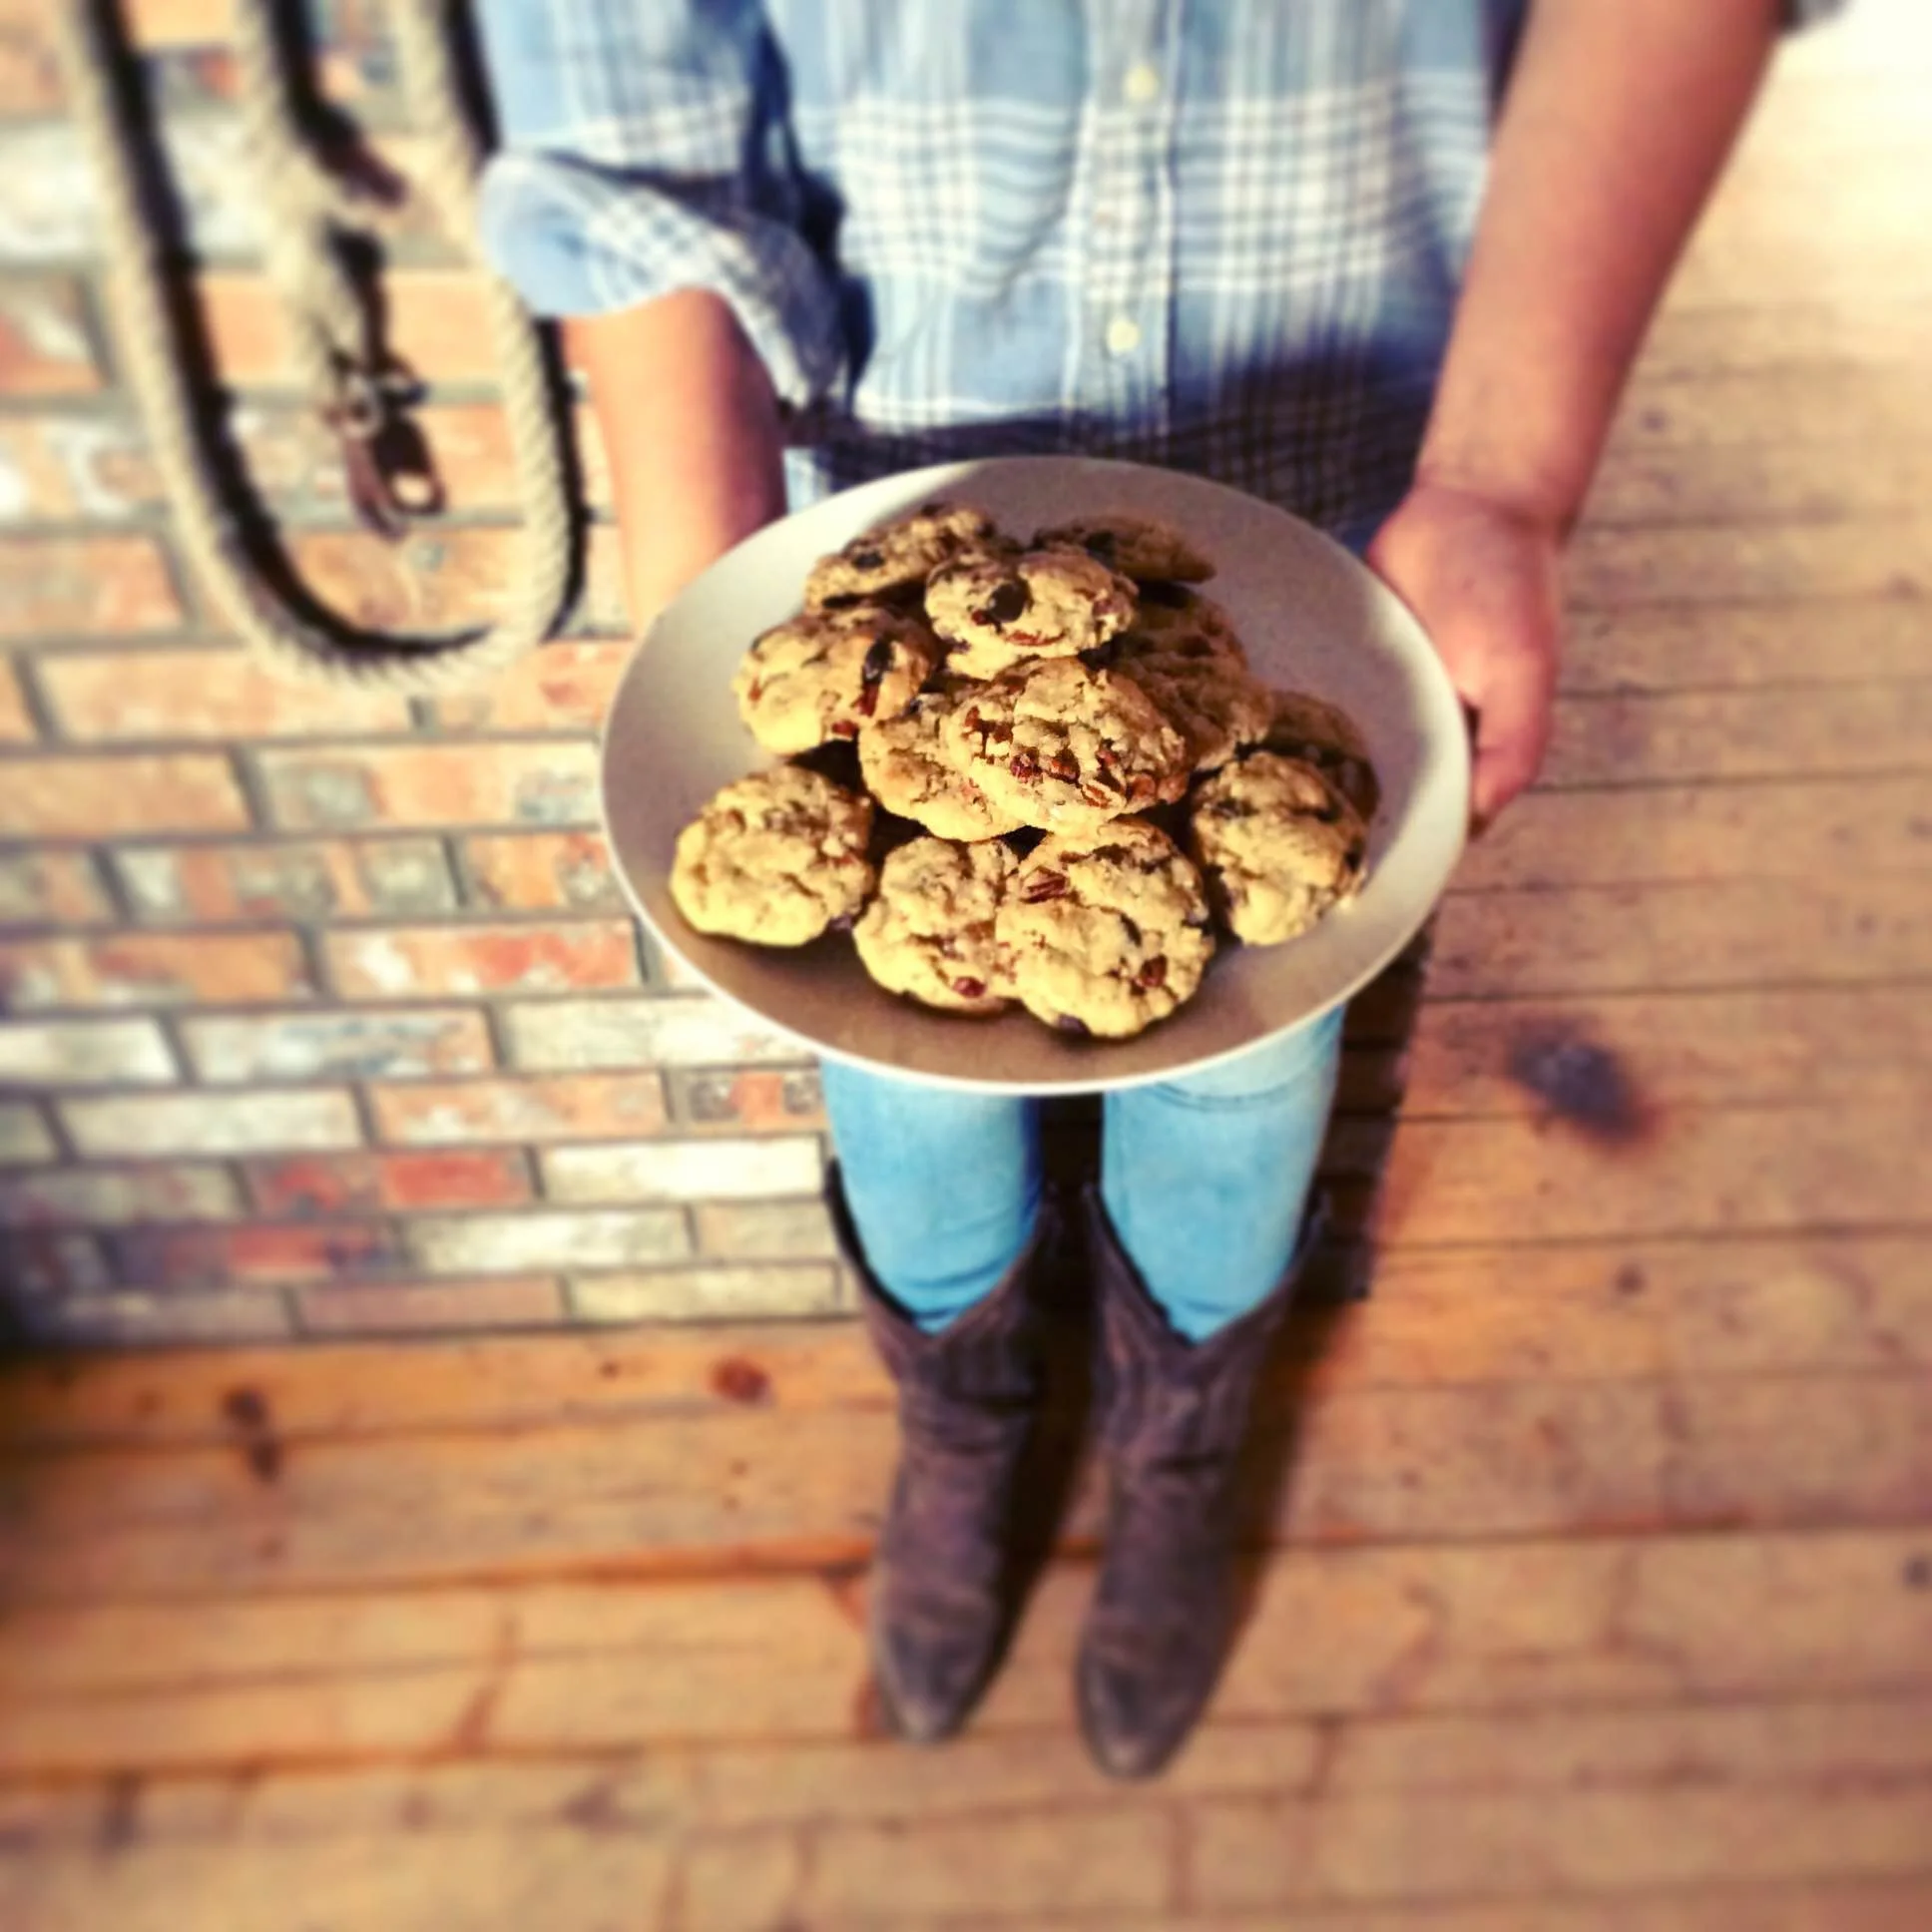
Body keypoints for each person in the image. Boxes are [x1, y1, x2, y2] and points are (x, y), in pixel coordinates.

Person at [472, 0, 1837, 1777]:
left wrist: (1506, 488)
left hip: (1349, 509)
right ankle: (962, 1434)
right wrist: (710, 600)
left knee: (1249, 1044)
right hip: (876, 520)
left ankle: (1178, 1449)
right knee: (893, 1045)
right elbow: (616, 84)